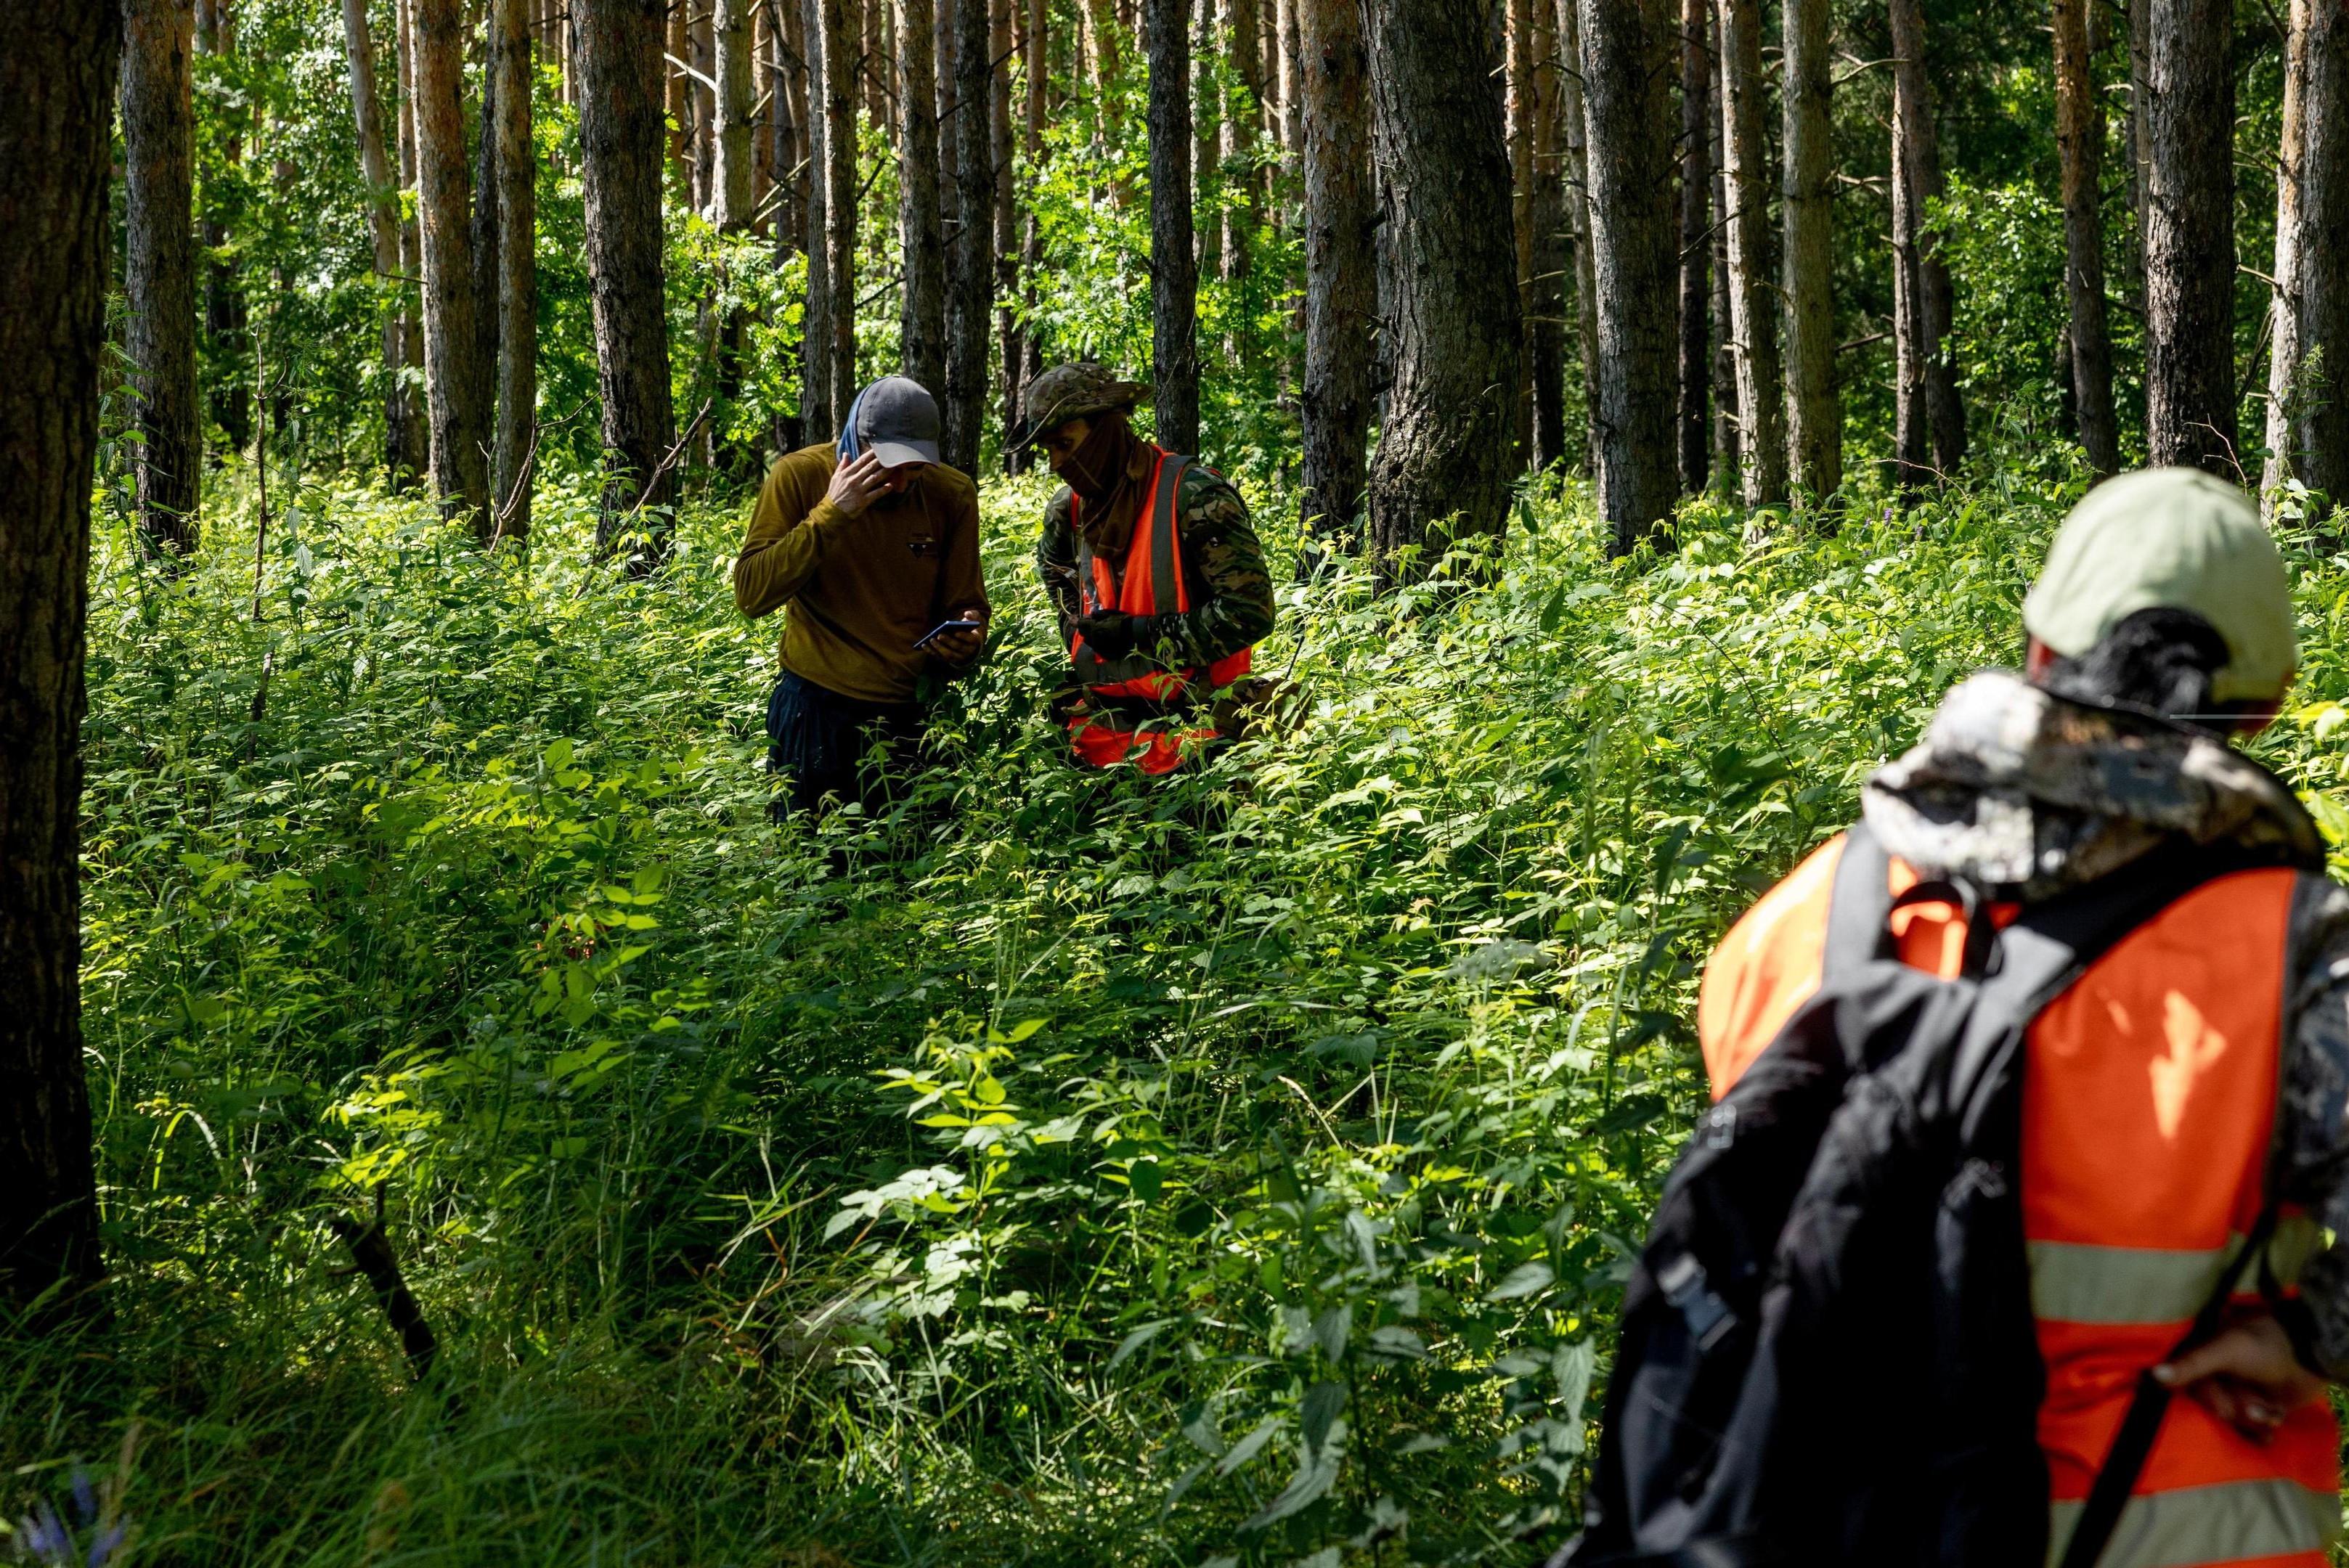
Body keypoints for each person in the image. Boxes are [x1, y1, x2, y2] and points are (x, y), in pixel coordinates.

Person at [1697, 468, 2347, 1564]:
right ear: (2268, 704)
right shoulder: (2297, 953)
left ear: (2036, 653)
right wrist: (2305, 1333)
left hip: (1825, 1517)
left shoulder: (1800, 916)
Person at [734, 376, 988, 820]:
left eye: (916, 466)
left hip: (913, 719)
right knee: (815, 871)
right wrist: (833, 514)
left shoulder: (951, 494)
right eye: (889, 464)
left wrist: (968, 640)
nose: (902, 481)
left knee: (915, 876)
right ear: (857, 438)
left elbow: (966, 603)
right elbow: (753, 593)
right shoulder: (799, 475)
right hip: (816, 711)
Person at [1017, 363, 1275, 775]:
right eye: (1049, 450)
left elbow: (1250, 613)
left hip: (1201, 733)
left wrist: (1140, 636)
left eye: (1066, 444)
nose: (1056, 463)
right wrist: (1079, 631)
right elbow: (1054, 572)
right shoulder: (1069, 508)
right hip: (1101, 732)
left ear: (1106, 430)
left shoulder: (1193, 495)